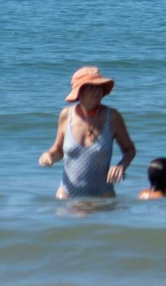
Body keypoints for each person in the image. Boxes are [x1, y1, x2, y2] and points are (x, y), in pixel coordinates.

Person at [38, 66, 136, 199]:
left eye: (99, 86)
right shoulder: (66, 115)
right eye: (91, 87)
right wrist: (49, 155)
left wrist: (122, 166)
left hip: (103, 195)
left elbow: (129, 149)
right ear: (79, 91)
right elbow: (59, 150)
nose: (97, 91)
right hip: (67, 195)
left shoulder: (112, 117)